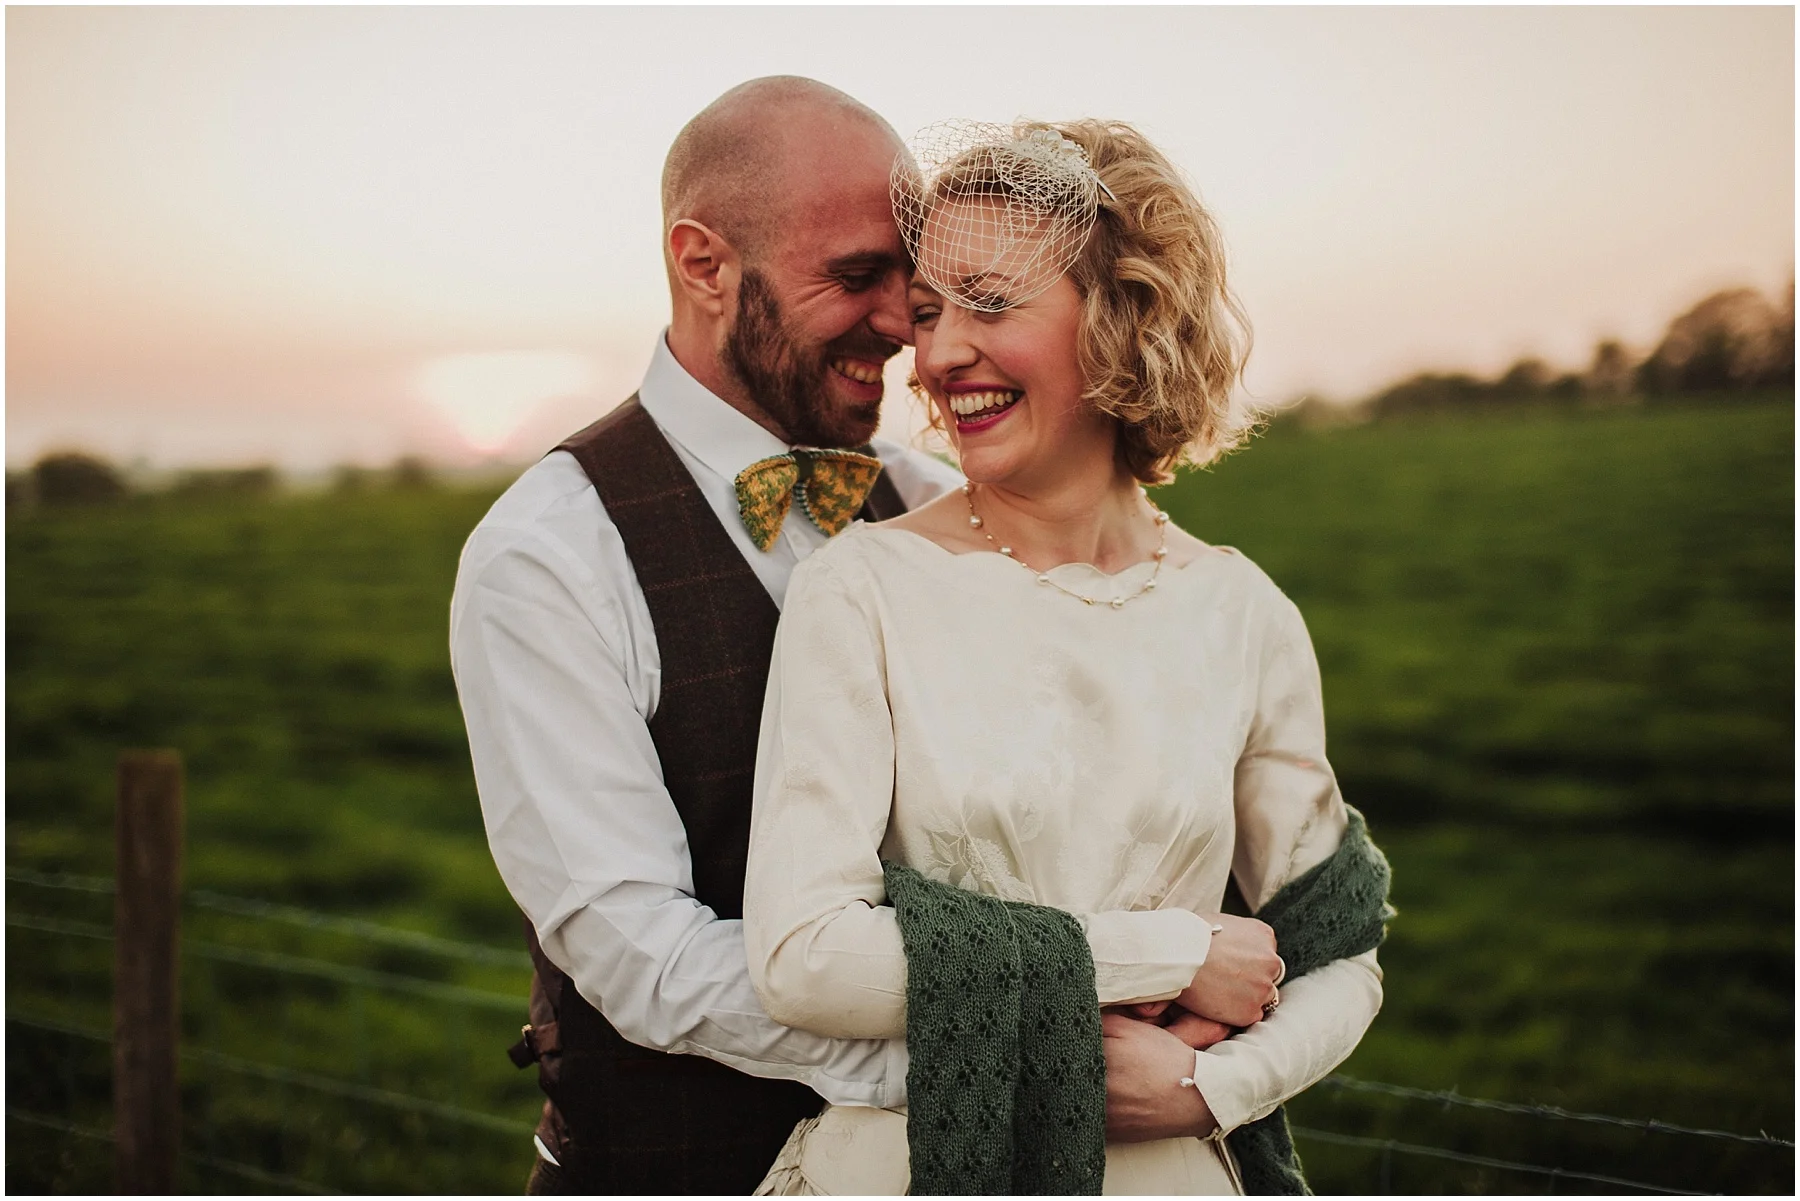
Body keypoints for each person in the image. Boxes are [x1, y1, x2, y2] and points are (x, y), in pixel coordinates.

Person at [743, 119, 1385, 1193]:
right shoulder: (860, 591)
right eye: (932, 311)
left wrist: (1210, 1087)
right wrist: (1172, 953)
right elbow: (802, 956)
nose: (941, 355)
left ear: (1124, 318)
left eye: (991, 303)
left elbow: (1339, 950)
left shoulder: (1243, 612)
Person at [447, 77, 969, 1193]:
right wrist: (972, 1048)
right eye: (857, 275)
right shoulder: (546, 554)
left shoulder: (930, 503)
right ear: (703, 263)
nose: (904, 324)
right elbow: (639, 949)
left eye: (910, 280)